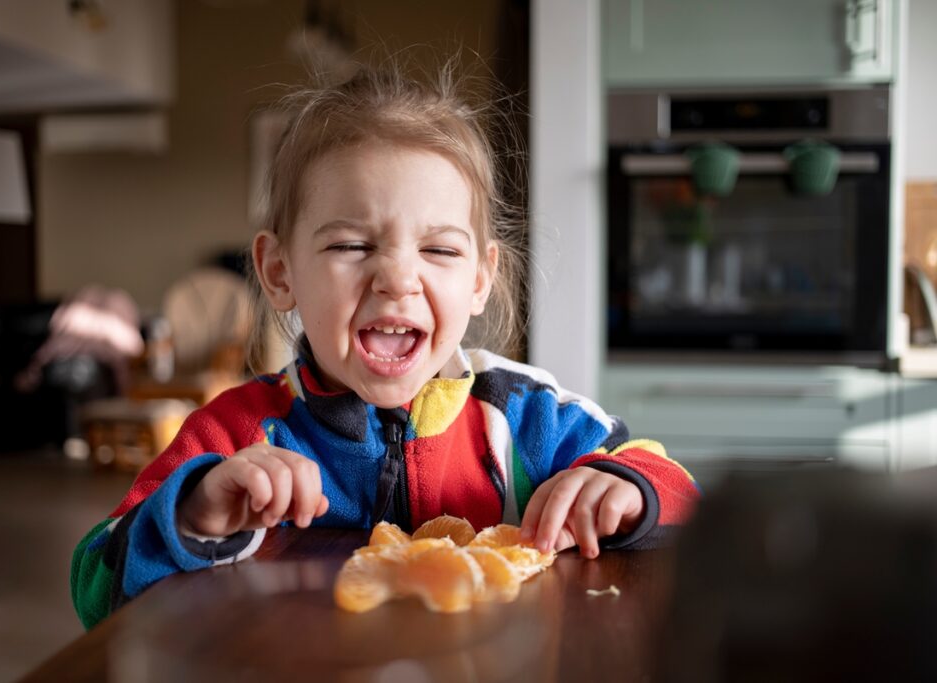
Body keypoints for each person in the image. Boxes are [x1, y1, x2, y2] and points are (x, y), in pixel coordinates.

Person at [71, 60, 701, 630]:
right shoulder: (237, 434)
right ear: (280, 271)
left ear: (480, 279)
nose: (398, 279)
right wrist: (192, 515)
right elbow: (93, 587)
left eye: (439, 250)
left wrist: (625, 488)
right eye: (351, 245)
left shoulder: (524, 415)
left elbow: (678, 491)